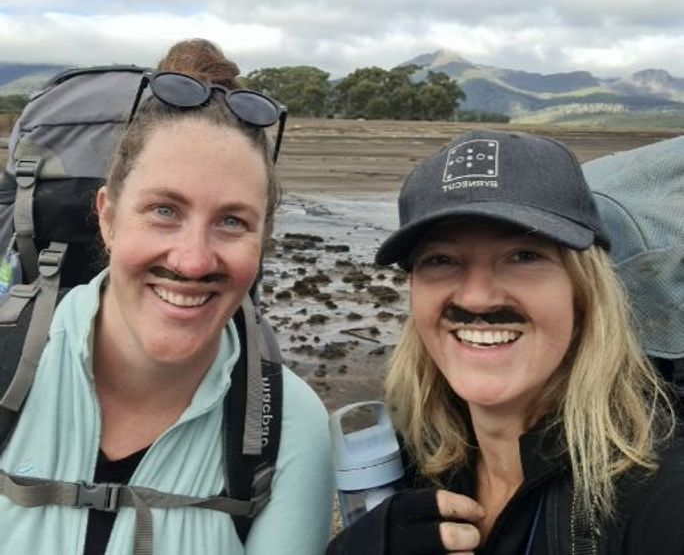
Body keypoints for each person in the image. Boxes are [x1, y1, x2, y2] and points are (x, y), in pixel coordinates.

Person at [0, 39, 333, 554]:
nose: (194, 260)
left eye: (232, 221)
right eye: (164, 211)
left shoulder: (289, 425)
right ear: (107, 216)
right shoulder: (7, 369)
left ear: (263, 241)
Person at [328, 129, 684, 555]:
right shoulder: (413, 462)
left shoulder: (658, 498)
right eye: (440, 260)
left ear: (585, 292)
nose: (477, 296)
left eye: (524, 256)